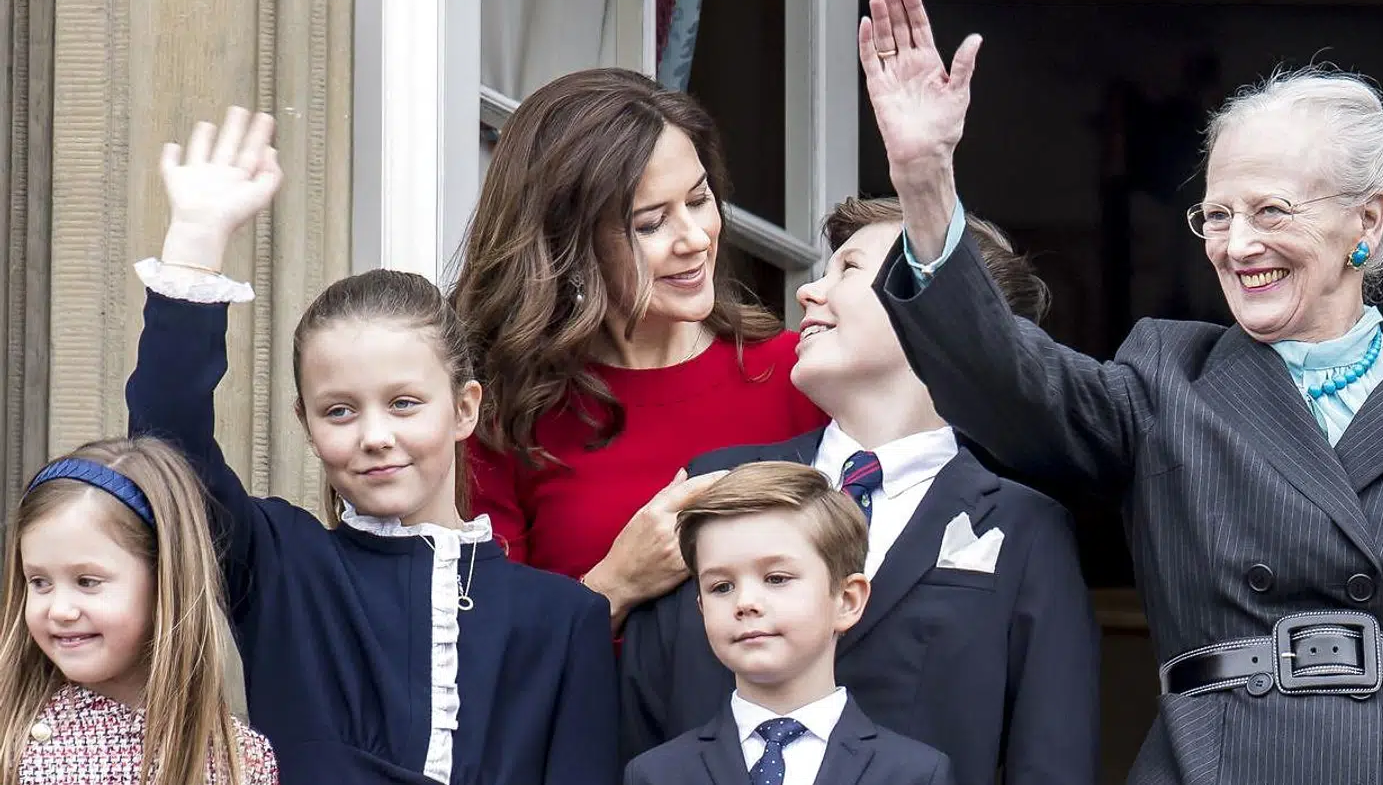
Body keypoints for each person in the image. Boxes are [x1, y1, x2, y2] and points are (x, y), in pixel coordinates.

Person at [858, 0, 1383, 783]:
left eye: (1270, 212)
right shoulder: (1169, 376)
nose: (1237, 247)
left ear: (1366, 222)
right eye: (1217, 215)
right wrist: (925, 184)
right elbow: (1008, 386)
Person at [126, 107, 618, 784]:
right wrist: (197, 238)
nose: (376, 437)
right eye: (339, 411)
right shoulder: (281, 565)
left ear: (464, 408)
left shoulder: (564, 619)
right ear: (306, 424)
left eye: (405, 404)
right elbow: (165, 448)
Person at [620, 197, 1099, 785]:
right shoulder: (716, 486)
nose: (807, 293)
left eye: (848, 269)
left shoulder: (1025, 529)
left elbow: (1054, 762)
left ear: (945, 313)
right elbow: (636, 721)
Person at [452, 68, 829, 629]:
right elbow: (488, 657)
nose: (696, 238)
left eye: (700, 199)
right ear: (568, 247)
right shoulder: (502, 412)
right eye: (651, 224)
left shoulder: (801, 373)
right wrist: (614, 585)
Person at [622, 462, 952, 785]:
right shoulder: (656, 774)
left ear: (847, 600)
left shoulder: (915, 773)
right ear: (702, 608)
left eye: (777, 578)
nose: (745, 603)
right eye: (721, 587)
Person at [0, 437, 277, 785]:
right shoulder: (9, 733)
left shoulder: (239, 760)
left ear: (165, 581)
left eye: (87, 581)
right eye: (39, 582)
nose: (60, 610)